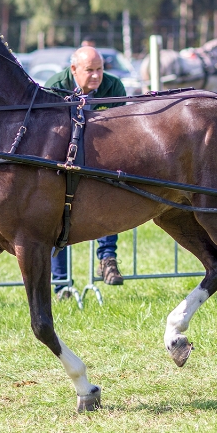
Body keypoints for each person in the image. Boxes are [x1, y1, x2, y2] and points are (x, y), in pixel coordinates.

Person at [44, 46, 127, 294]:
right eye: (89, 70)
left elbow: (122, 129)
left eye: (99, 69)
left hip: (101, 159)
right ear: (74, 69)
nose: (96, 76)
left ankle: (108, 260)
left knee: (109, 200)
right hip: (63, 160)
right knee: (56, 217)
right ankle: (61, 284)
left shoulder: (114, 87)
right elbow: (47, 131)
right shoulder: (55, 86)